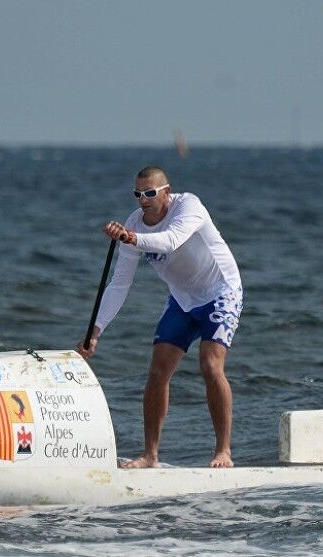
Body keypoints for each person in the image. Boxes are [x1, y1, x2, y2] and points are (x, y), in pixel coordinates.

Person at [76, 166, 242, 468]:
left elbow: (171, 240)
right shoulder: (135, 223)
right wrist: (96, 331)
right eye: (138, 194)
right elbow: (120, 284)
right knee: (157, 372)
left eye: (150, 193)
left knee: (210, 364)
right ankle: (150, 455)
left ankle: (223, 451)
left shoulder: (189, 205)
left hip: (221, 291)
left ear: (167, 191)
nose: (143, 200)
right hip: (182, 299)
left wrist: (130, 237)